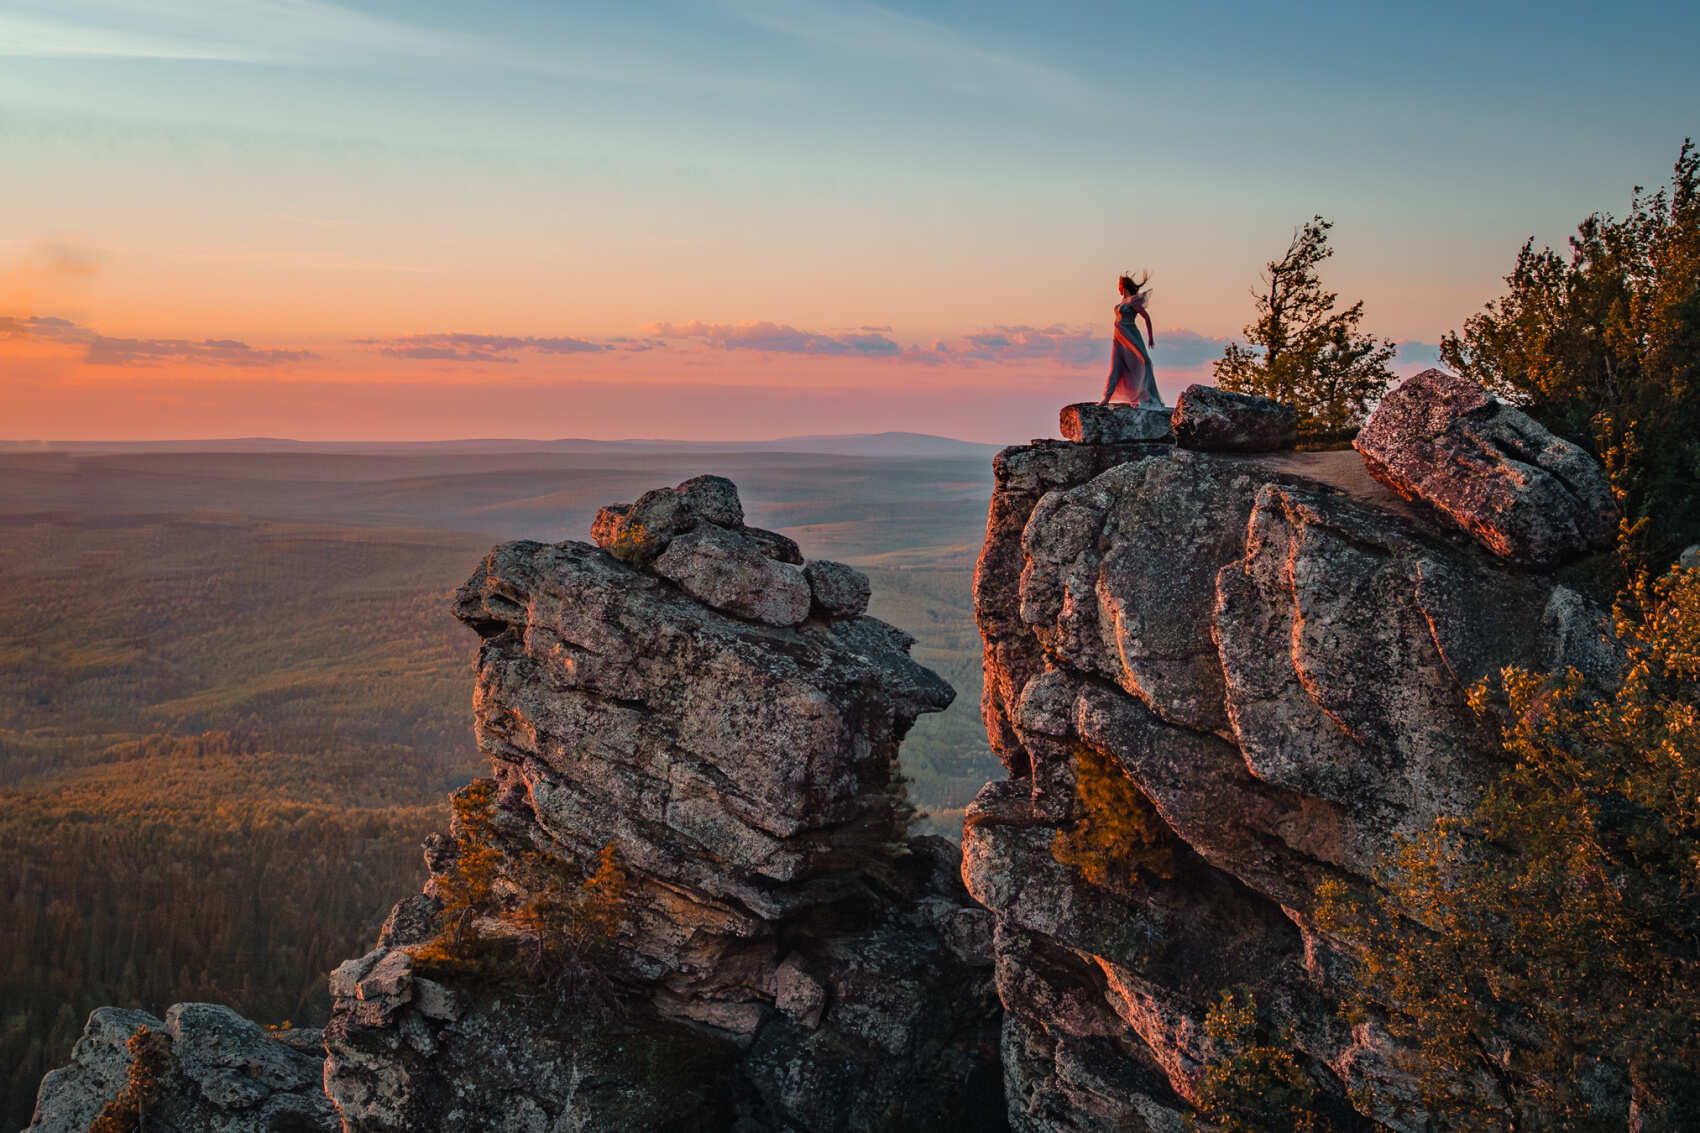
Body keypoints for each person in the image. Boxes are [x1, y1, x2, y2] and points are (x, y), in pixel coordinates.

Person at [1098, 272, 1161, 407]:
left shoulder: (1133, 300)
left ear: (1124, 286)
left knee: (1145, 361)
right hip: (1118, 338)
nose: (1118, 288)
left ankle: (1148, 396)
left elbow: (1146, 317)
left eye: (1119, 286)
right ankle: (1106, 398)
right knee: (1115, 367)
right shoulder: (1122, 302)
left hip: (1130, 335)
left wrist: (1150, 337)